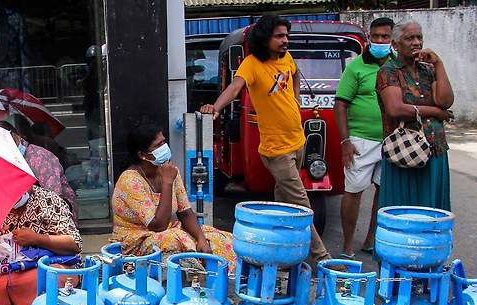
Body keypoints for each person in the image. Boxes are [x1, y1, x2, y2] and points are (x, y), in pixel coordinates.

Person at [200, 15, 331, 263]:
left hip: (298, 142)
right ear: (265, 38)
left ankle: (283, 254)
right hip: (276, 149)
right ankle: (322, 257)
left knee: (284, 204)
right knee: (302, 205)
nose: (285, 41)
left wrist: (295, 100)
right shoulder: (251, 64)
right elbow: (235, 88)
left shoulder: (287, 59)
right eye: (279, 36)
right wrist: (216, 107)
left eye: (286, 36)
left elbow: (293, 77)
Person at [111, 122, 236, 269]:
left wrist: (201, 238)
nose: (164, 147)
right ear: (142, 155)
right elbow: (158, 225)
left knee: (220, 239)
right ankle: (199, 279)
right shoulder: (130, 180)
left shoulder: (170, 170)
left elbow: (185, 212)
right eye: (158, 145)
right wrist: (167, 183)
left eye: (164, 142)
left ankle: (225, 280)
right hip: (135, 240)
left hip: (167, 232)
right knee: (181, 239)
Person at [376, 20, 453, 211]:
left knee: (433, 210)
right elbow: (395, 109)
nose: (416, 42)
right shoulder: (388, 71)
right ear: (395, 45)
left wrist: (439, 64)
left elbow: (445, 101)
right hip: (404, 150)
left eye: (419, 37)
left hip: (435, 149)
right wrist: (436, 112)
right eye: (409, 38)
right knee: (404, 209)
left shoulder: (428, 70)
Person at [335, 17, 395, 259]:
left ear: (391, 39)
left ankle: (371, 239)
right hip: (361, 140)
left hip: (392, 140)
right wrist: (345, 142)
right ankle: (348, 246)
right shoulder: (356, 67)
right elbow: (340, 105)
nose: (380, 41)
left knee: (384, 191)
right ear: (369, 37)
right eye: (376, 36)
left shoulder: (397, 66)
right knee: (354, 191)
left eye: (385, 37)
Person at [0, 184, 82, 305]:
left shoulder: (48, 200)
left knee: (36, 281)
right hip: (9, 268)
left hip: (50, 264)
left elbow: (74, 244)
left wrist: (36, 238)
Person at [0, 121, 78, 218]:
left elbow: (52, 195)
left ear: (17, 136)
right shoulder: (6, 158)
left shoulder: (39, 156)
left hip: (54, 211)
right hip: (24, 210)